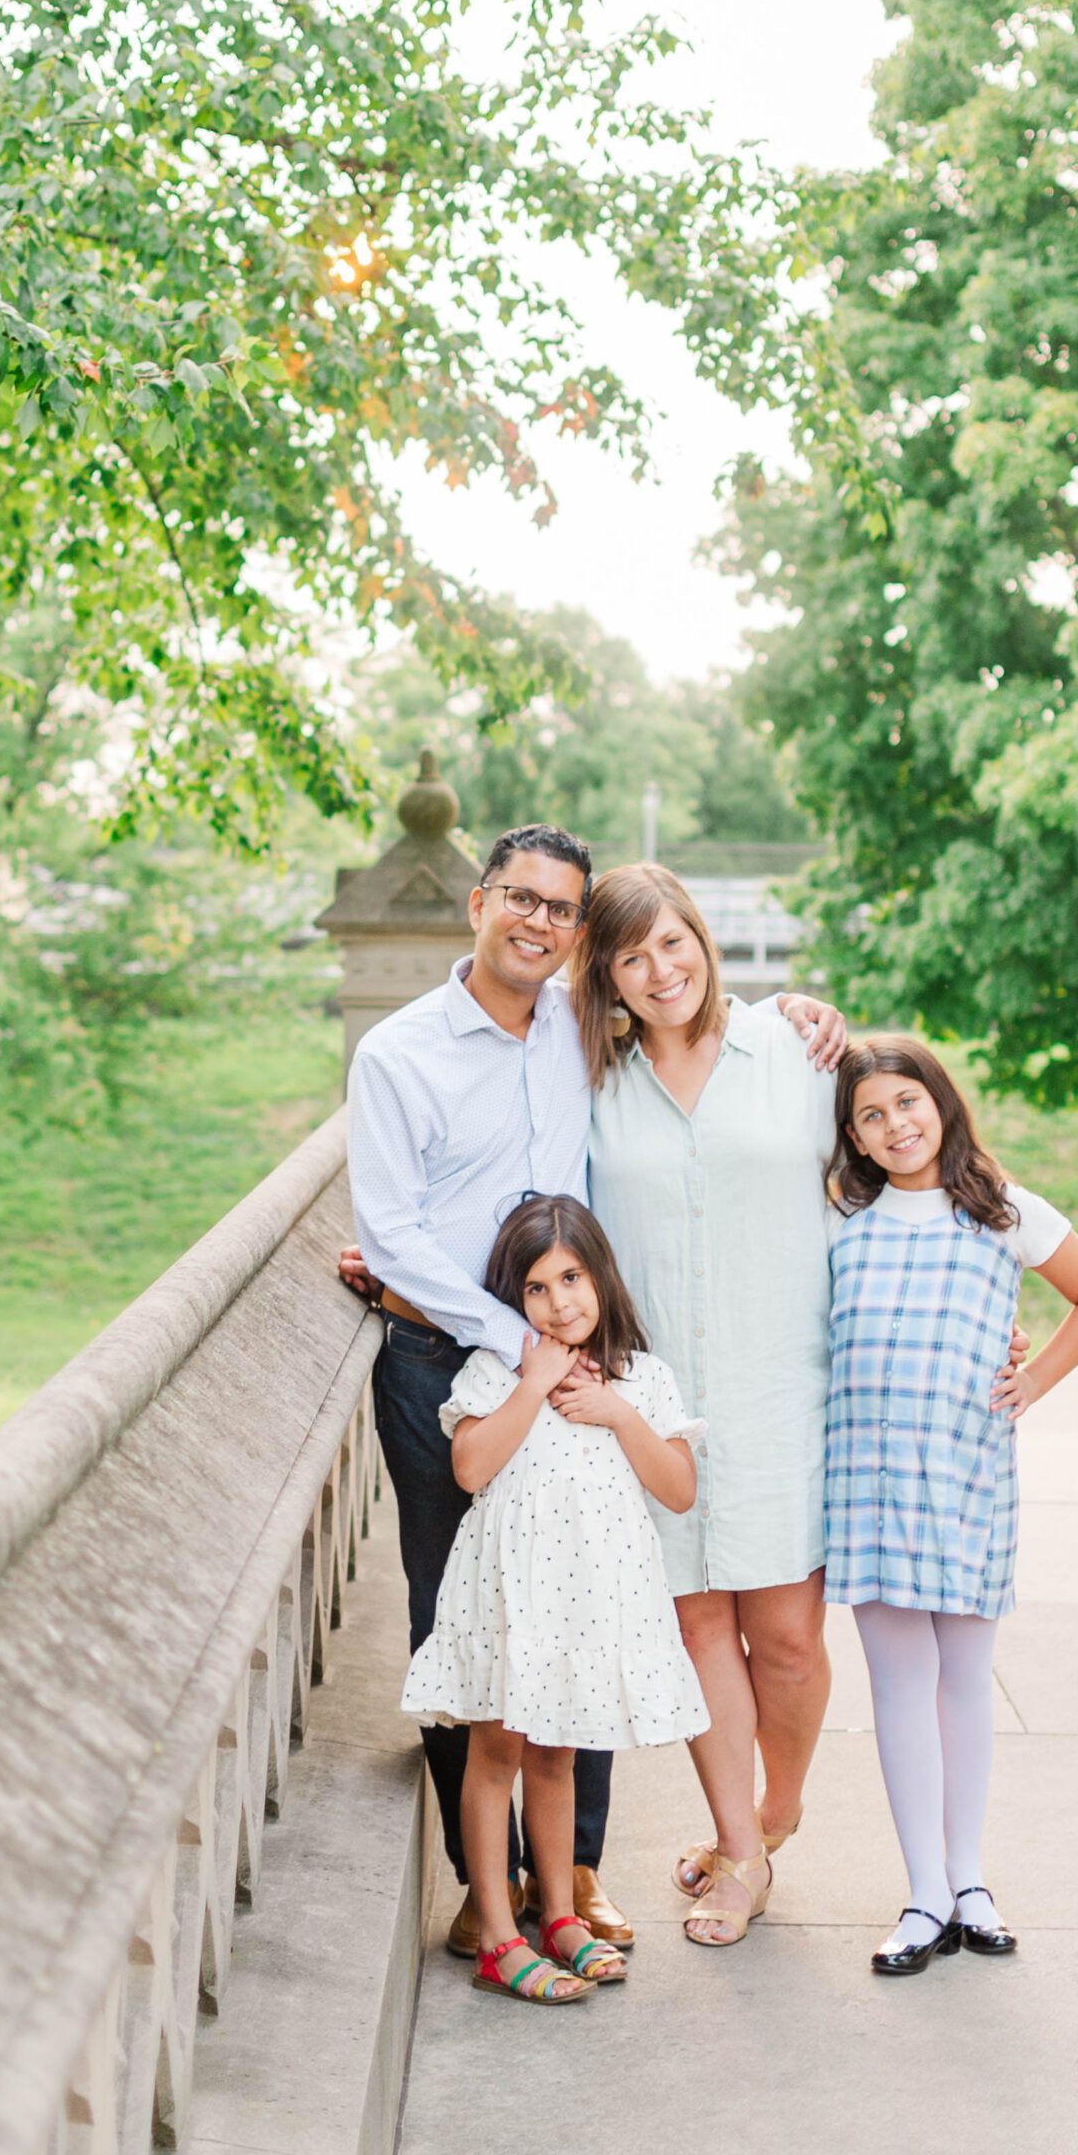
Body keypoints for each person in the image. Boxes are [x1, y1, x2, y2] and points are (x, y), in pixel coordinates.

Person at [345, 820, 840, 1958]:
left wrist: (802, 1011)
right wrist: (512, 1336)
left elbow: (716, 1026)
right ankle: (490, 1888)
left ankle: (570, 1872)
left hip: (583, 1363)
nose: (538, 921)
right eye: (519, 897)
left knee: (596, 1587)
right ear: (477, 902)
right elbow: (392, 1225)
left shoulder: (579, 1036)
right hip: (451, 1360)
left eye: (561, 910)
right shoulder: (398, 1053)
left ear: (575, 938)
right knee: (459, 1615)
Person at [570, 863, 843, 1947]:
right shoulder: (591, 1084)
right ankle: (741, 1852)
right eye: (631, 956)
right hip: (660, 1402)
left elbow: (894, 1162)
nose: (659, 969)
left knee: (783, 1639)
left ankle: (774, 1807)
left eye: (672, 942)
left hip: (784, 1389)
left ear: (701, 938)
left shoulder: (795, 1049)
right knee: (696, 1629)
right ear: (609, 977)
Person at [824, 1037, 1078, 1975]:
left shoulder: (1001, 1213)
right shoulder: (838, 1220)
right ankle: (922, 1893)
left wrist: (1030, 1382)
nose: (895, 1125)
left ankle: (970, 1881)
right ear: (856, 1139)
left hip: (966, 1476)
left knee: (964, 1676)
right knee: (899, 1683)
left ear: (942, 1106)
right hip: (867, 1476)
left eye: (908, 1102)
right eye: (871, 1116)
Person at [403, 1195, 709, 2004]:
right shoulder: (495, 1371)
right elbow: (470, 1469)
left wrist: (614, 1412)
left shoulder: (642, 1377)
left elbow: (678, 1489)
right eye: (536, 1288)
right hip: (513, 1602)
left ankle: (562, 1917)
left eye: (571, 1277)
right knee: (496, 1752)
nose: (560, 1301)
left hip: (588, 1606)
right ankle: (501, 1936)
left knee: (559, 1753)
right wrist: (532, 1384)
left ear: (599, 1274)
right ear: (514, 1300)